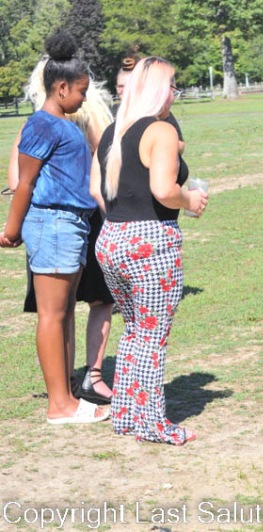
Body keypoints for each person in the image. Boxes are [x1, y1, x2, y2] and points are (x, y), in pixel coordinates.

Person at [91, 56, 207, 445]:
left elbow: (98, 187)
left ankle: (127, 415)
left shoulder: (113, 131)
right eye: (173, 85)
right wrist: (190, 200)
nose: (176, 93)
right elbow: (163, 189)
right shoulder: (160, 131)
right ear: (159, 89)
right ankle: (153, 423)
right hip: (151, 241)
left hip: (112, 237)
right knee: (152, 338)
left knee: (134, 332)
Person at [0, 32, 109, 424]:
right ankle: (59, 405)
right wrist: (11, 231)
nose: (84, 98)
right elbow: (24, 183)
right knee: (51, 315)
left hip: (71, 226)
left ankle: (67, 396)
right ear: (61, 88)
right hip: (53, 225)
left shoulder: (63, 124)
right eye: (81, 91)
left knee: (62, 314)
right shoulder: (43, 125)